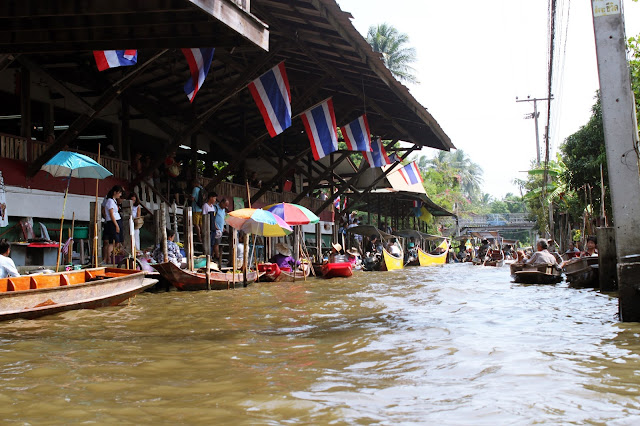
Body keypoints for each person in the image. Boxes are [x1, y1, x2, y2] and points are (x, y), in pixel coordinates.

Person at [102, 185, 124, 264]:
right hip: (113, 221)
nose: (120, 195)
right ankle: (109, 258)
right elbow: (111, 214)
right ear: (115, 192)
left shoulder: (114, 201)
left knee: (117, 241)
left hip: (117, 220)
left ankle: (112, 257)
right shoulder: (110, 201)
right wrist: (116, 225)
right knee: (112, 241)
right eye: (119, 193)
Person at [211, 197, 229, 262]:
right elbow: (213, 219)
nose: (226, 207)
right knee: (216, 244)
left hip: (220, 229)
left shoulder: (223, 210)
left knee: (215, 244)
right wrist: (216, 227)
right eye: (225, 205)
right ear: (222, 203)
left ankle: (212, 256)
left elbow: (222, 219)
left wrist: (223, 228)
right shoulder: (215, 208)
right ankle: (218, 257)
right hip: (216, 229)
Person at [190, 178, 204, 242]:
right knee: (200, 224)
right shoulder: (202, 188)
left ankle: (199, 237)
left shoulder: (195, 189)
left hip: (196, 209)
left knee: (196, 224)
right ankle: (203, 235)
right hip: (201, 208)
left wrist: (188, 197)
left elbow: (192, 198)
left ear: (195, 183)